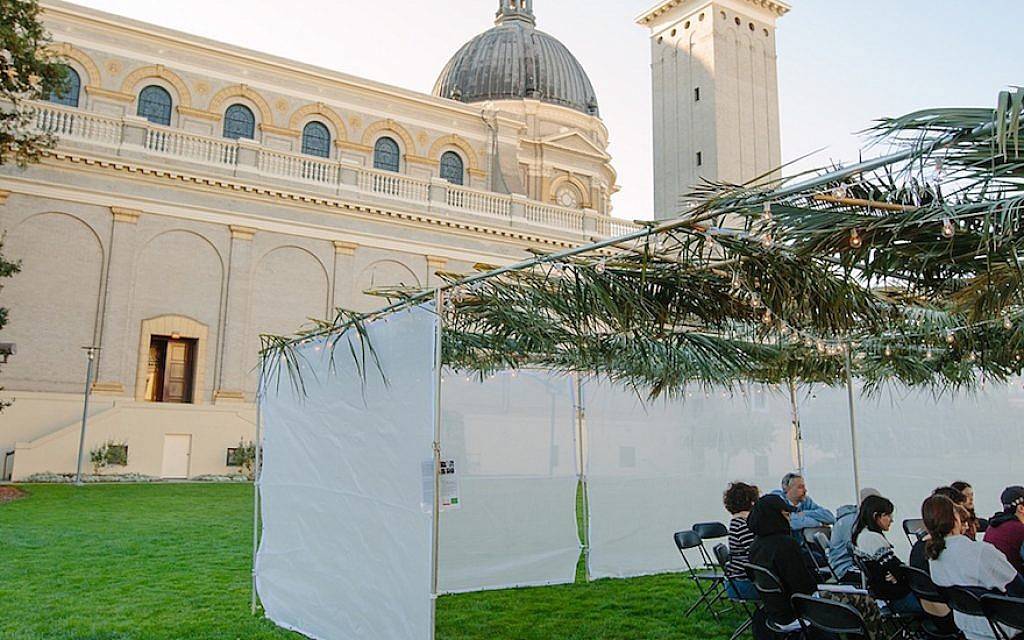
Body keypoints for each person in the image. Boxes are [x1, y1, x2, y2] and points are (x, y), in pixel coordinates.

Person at [925, 494, 1024, 640]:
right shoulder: (980, 551)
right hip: (1003, 627)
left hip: (967, 626)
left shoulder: (933, 558)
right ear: (955, 518)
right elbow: (1018, 587)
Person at [747, 494, 825, 640]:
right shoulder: (786, 545)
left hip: (774, 610)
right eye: (787, 514)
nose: (789, 519)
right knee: (860, 601)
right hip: (797, 612)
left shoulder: (755, 545)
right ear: (775, 516)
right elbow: (804, 586)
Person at [850, 495, 923, 615]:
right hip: (897, 598)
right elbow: (896, 569)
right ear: (875, 516)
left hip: (886, 594)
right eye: (887, 515)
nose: (891, 520)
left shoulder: (862, 534)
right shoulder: (872, 539)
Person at [829, 487, 880, 584]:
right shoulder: (852, 522)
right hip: (845, 568)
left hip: (846, 565)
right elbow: (858, 552)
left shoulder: (856, 519)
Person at [722, 482, 760, 601]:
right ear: (751, 502)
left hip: (738, 581)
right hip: (744, 584)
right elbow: (756, 554)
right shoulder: (743, 525)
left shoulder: (737, 522)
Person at [772, 472, 836, 533]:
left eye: (804, 487)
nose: (805, 490)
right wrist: (820, 523)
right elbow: (789, 523)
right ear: (787, 489)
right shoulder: (777, 502)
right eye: (800, 487)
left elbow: (830, 518)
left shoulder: (806, 502)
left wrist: (804, 513)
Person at [983, 486, 1024, 576]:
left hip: (992, 582)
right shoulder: (1019, 530)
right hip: (1014, 584)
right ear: (1021, 508)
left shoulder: (992, 527)